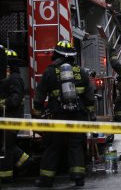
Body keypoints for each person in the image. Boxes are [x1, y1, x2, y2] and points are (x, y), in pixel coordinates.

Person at [32, 40, 96, 188]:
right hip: (78, 114)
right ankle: (78, 177)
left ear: (57, 54)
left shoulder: (50, 71)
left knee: (53, 145)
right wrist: (91, 114)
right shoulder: (81, 71)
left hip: (58, 114)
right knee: (76, 145)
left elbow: (40, 95)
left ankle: (46, 179)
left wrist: (38, 113)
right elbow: (89, 96)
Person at [0, 48, 33, 183]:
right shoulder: (10, 78)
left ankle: (5, 176)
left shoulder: (14, 79)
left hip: (11, 119)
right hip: (7, 118)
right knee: (6, 145)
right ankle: (24, 161)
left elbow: (15, 99)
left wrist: (2, 102)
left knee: (6, 147)